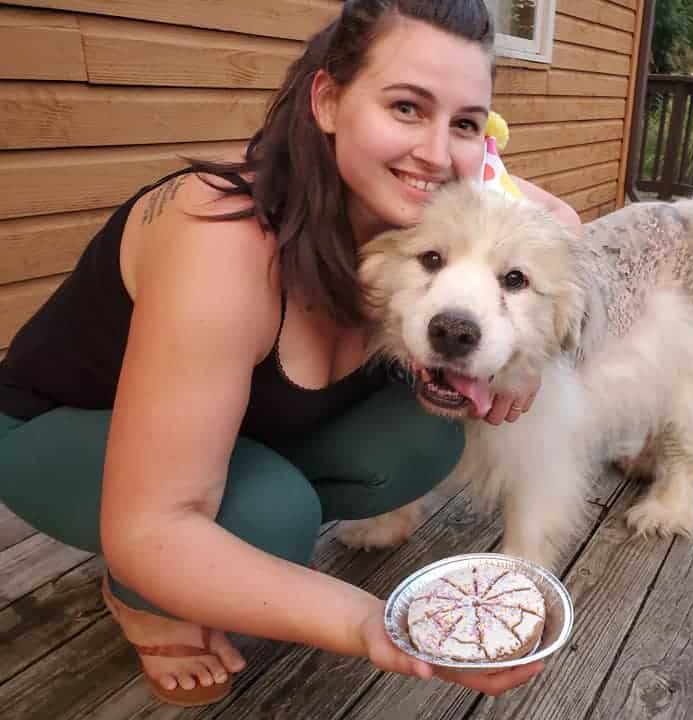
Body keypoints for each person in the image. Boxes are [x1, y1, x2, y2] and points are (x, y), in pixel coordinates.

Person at [0, 0, 581, 708]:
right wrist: (375, 624)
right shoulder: (221, 237)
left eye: (463, 122)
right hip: (54, 426)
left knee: (425, 430)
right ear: (329, 100)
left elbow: (556, 221)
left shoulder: (415, 219)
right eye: (405, 107)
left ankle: (234, 533)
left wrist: (526, 356)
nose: (435, 153)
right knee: (269, 518)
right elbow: (152, 524)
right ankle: (141, 593)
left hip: (237, 425)